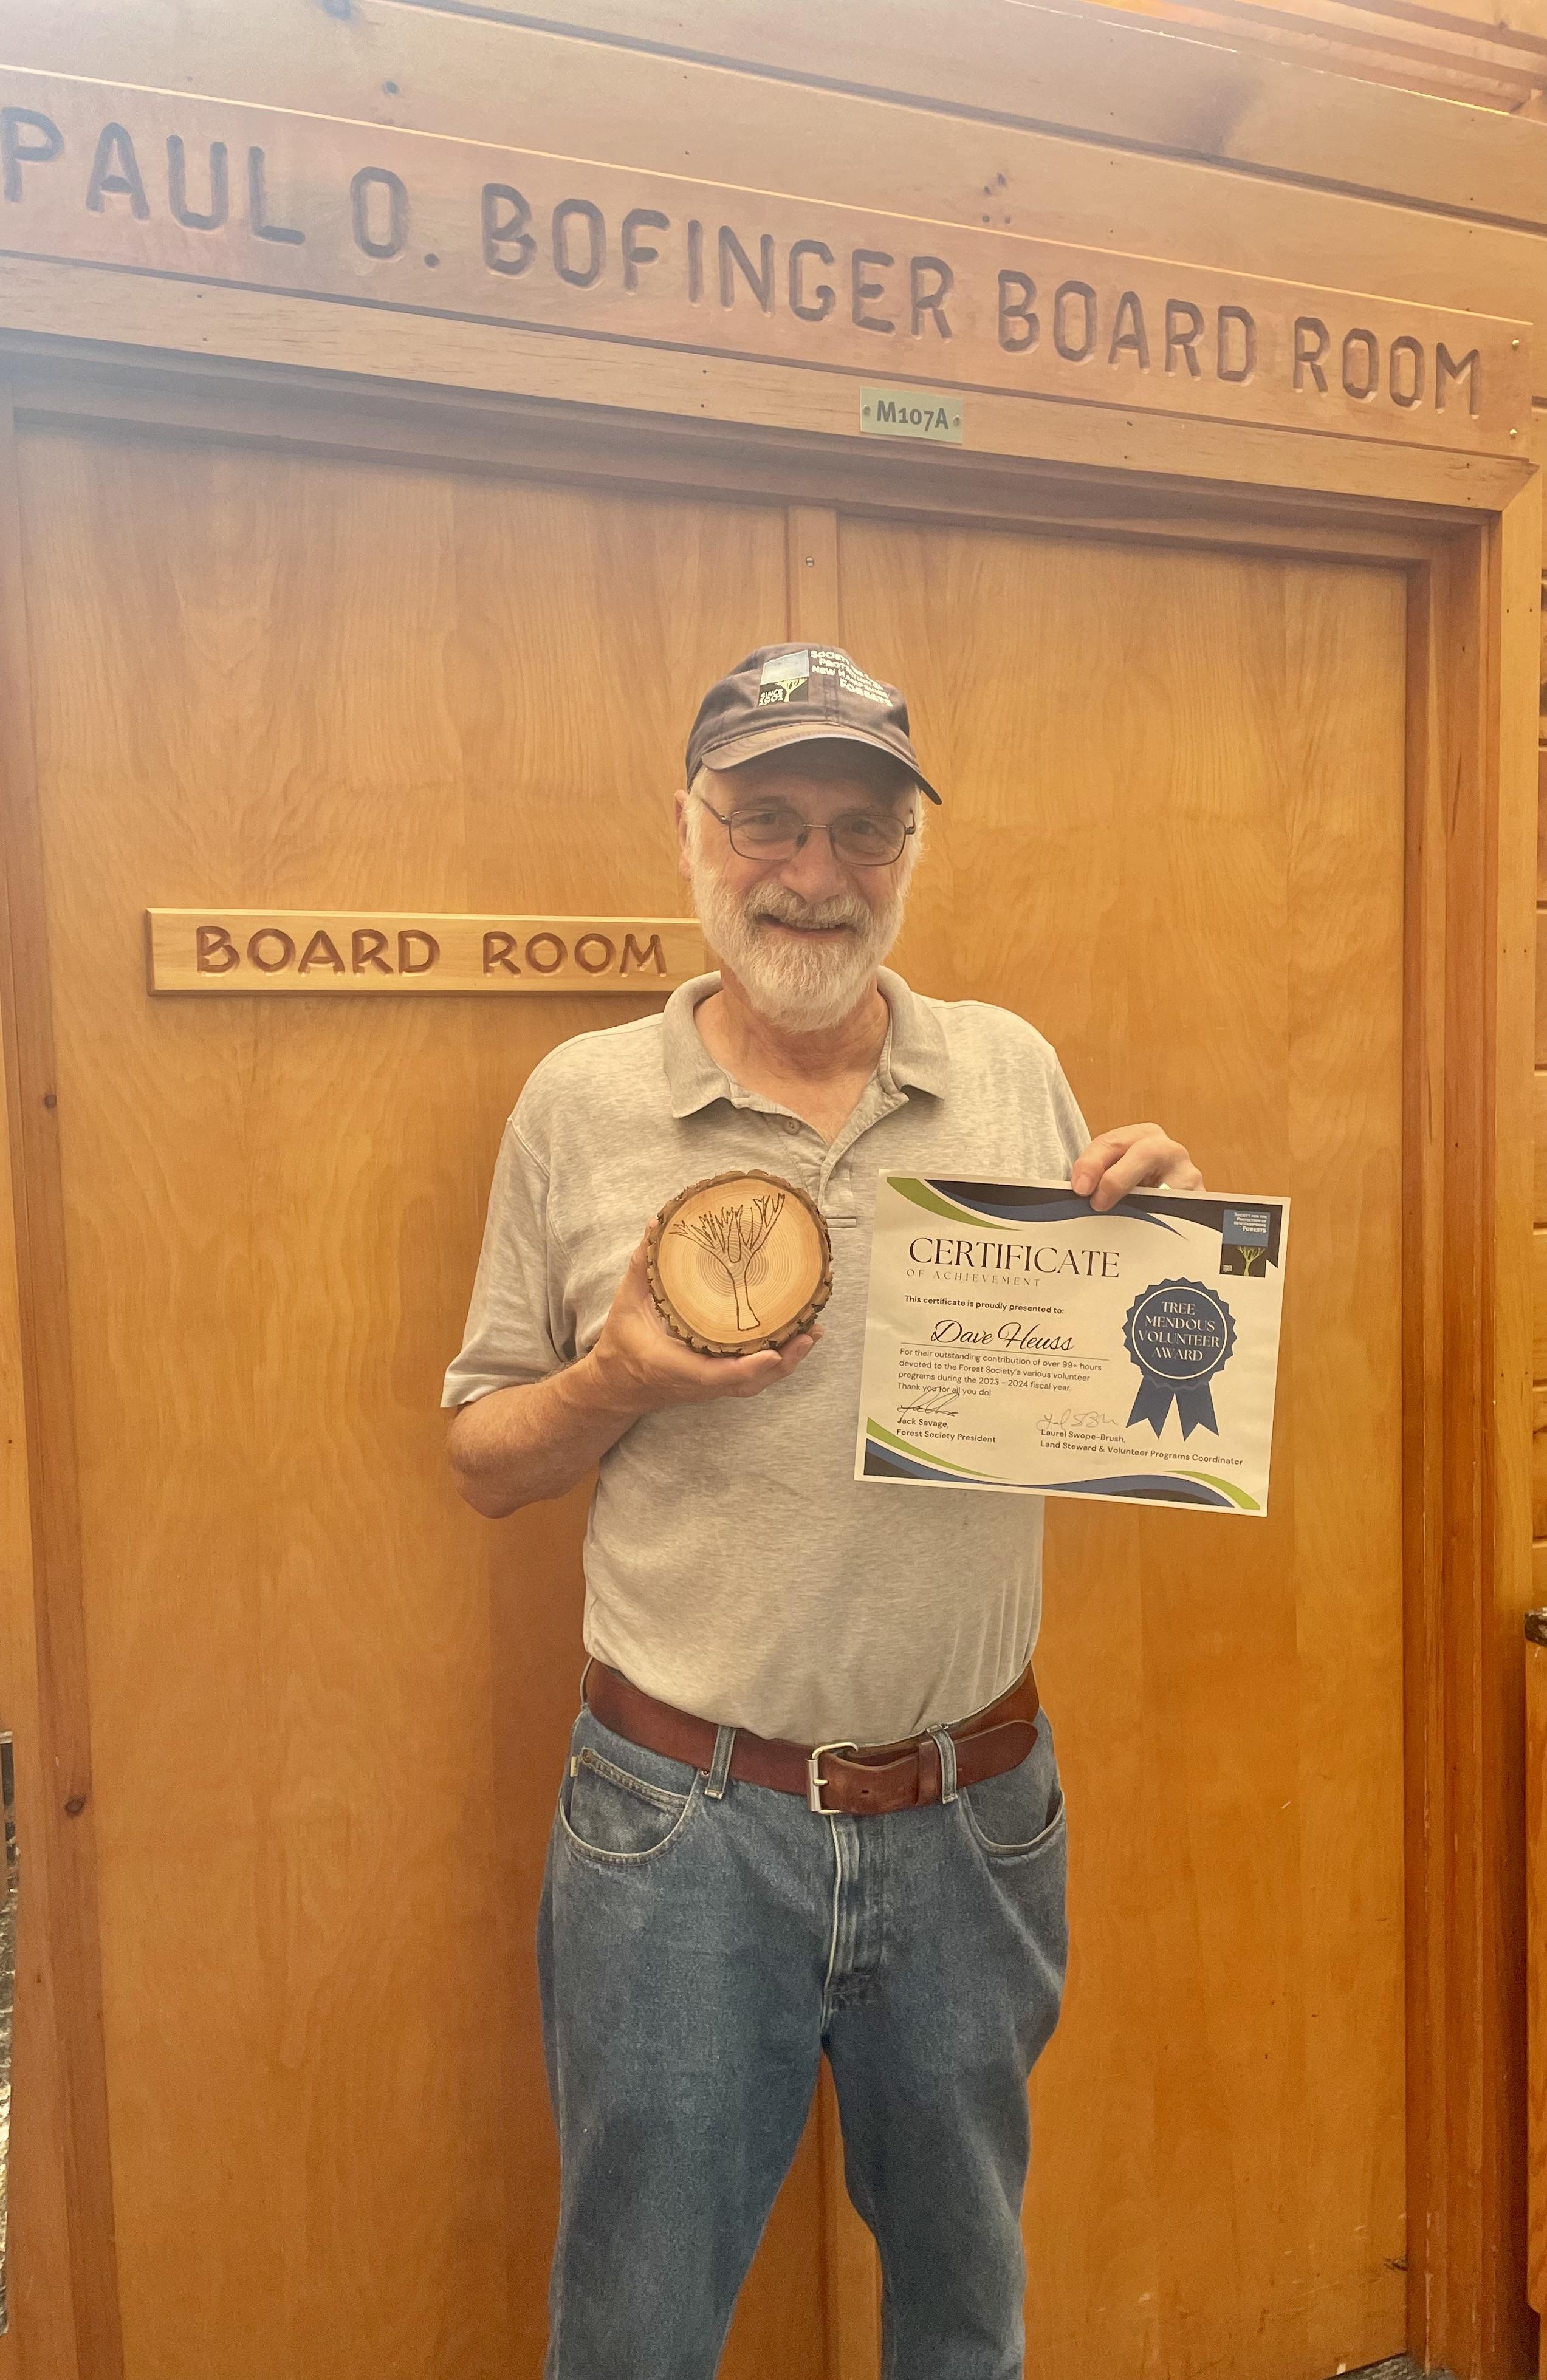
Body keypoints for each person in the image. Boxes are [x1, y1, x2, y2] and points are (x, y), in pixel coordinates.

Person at [442, 643, 1201, 2380]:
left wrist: (1162, 1250)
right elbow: (481, 1458)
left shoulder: (1008, 1068)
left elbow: (1081, 1388)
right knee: (637, 2325)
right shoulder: (580, 1105)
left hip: (976, 1816)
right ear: (691, 832)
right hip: (677, 1827)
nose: (811, 872)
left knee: (964, 2319)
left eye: (862, 832)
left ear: (907, 859)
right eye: (767, 819)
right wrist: (620, 1375)